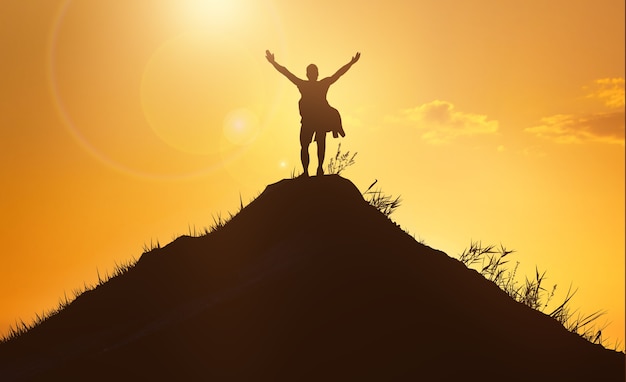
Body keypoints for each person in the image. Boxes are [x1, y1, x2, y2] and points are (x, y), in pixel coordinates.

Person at [266, 50, 360, 176]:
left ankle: (319, 169)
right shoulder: (307, 85)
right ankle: (307, 171)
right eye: (311, 72)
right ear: (309, 74)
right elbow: (286, 73)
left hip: (318, 120)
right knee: (305, 146)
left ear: (315, 74)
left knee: (318, 144)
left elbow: (338, 74)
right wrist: (274, 63)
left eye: (313, 72)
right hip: (309, 121)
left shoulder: (316, 84)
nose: (312, 74)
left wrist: (351, 63)